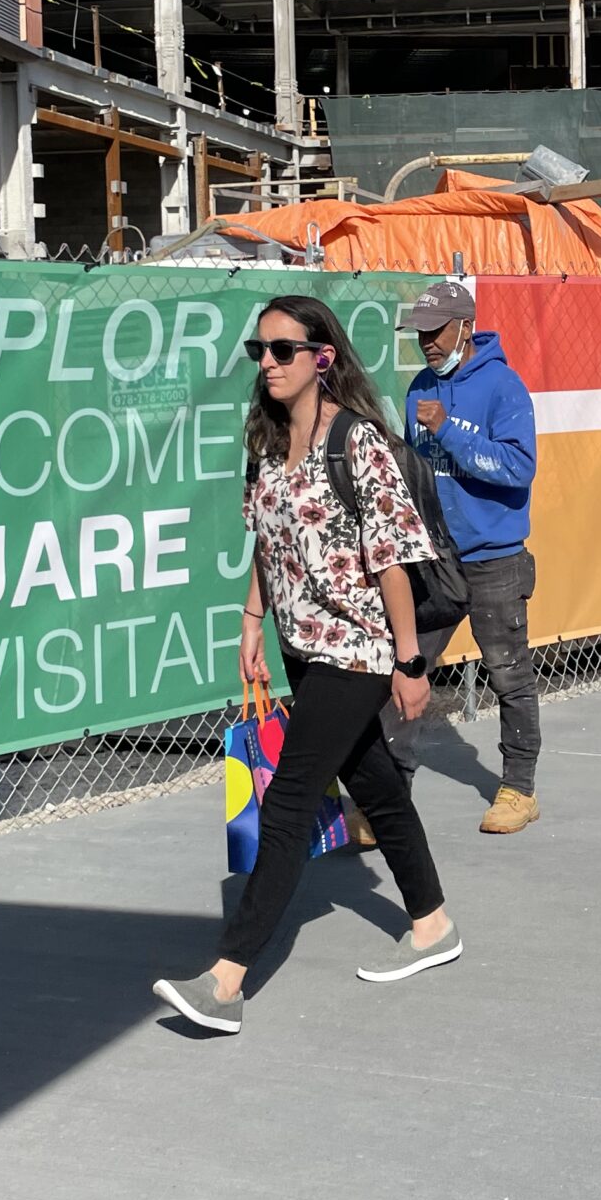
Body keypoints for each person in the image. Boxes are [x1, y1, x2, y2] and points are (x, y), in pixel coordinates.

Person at [151, 296, 459, 1036]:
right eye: (260, 349)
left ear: (322, 357)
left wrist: (410, 663)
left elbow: (391, 560)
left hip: (358, 651)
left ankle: (227, 981)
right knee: (377, 787)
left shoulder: (358, 443)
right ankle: (434, 924)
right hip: (298, 646)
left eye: (283, 350)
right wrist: (251, 620)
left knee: (288, 802)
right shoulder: (263, 443)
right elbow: (266, 540)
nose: (268, 363)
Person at [384, 279, 545, 833]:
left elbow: (519, 468)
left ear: (465, 328)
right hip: (433, 560)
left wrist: (447, 429)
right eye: (420, 334)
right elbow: (417, 475)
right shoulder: (417, 390)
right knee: (407, 668)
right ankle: (385, 798)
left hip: (495, 557)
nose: (426, 343)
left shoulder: (503, 387)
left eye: (436, 332)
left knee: (508, 673)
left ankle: (518, 789)